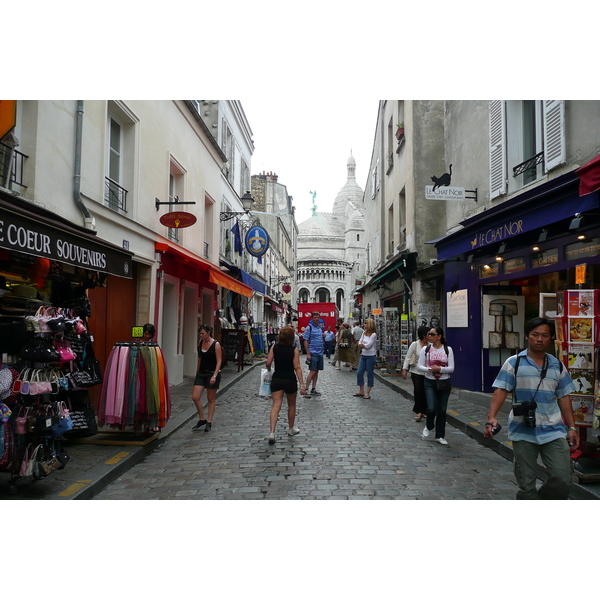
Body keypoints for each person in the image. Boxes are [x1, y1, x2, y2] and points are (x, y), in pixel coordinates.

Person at [484, 317, 579, 500]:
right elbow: (501, 390)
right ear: (527, 336)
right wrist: (492, 417)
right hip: (522, 430)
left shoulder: (557, 365)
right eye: (535, 335)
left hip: (554, 429)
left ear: (550, 339)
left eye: (544, 335)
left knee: (562, 479)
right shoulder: (514, 362)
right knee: (526, 485)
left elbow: (564, 396)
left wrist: (572, 427)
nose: (540, 339)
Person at [265, 326, 306, 444]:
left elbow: (268, 362)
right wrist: (302, 384)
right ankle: (291, 428)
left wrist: (268, 369)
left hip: (277, 378)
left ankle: (272, 432)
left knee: (276, 405)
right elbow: (297, 367)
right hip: (289, 379)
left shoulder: (274, 347)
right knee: (291, 405)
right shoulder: (294, 350)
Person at [417, 326, 455, 445]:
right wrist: (430, 369)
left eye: (432, 334)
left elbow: (451, 368)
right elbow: (419, 366)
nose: (429, 336)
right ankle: (429, 425)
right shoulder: (426, 349)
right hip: (429, 381)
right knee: (431, 407)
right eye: (429, 334)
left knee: (442, 410)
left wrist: (440, 369)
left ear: (439, 336)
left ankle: (440, 435)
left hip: (444, 382)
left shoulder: (448, 350)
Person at [191, 324, 223, 432]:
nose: (201, 335)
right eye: (200, 333)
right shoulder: (200, 343)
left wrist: (214, 375)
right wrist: (197, 369)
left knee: (210, 398)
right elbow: (200, 357)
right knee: (195, 397)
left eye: (202, 333)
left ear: (208, 333)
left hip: (211, 373)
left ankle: (209, 421)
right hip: (201, 373)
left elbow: (219, 361)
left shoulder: (216, 344)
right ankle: (202, 419)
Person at [402, 325, 429, 421]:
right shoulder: (415, 344)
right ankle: (419, 411)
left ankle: (425, 410)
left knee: (426, 391)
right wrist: (404, 369)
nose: (430, 336)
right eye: (428, 334)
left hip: (427, 372)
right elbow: (408, 357)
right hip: (416, 371)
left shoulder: (431, 344)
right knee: (418, 391)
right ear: (423, 335)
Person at [303, 311, 325, 396]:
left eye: (317, 317)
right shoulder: (309, 328)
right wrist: (308, 353)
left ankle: (313, 388)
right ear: (312, 318)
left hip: (320, 353)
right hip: (313, 352)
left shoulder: (319, 328)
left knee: (316, 371)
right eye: (315, 317)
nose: (316, 319)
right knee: (312, 371)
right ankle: (306, 389)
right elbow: (305, 340)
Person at [354, 318, 377, 399]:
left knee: (369, 374)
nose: (364, 325)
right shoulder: (364, 333)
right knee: (359, 373)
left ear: (370, 324)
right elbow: (359, 342)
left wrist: (363, 344)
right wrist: (363, 344)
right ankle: (361, 391)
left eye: (366, 323)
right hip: (363, 355)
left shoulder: (373, 334)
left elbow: (368, 346)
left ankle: (367, 392)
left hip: (371, 356)